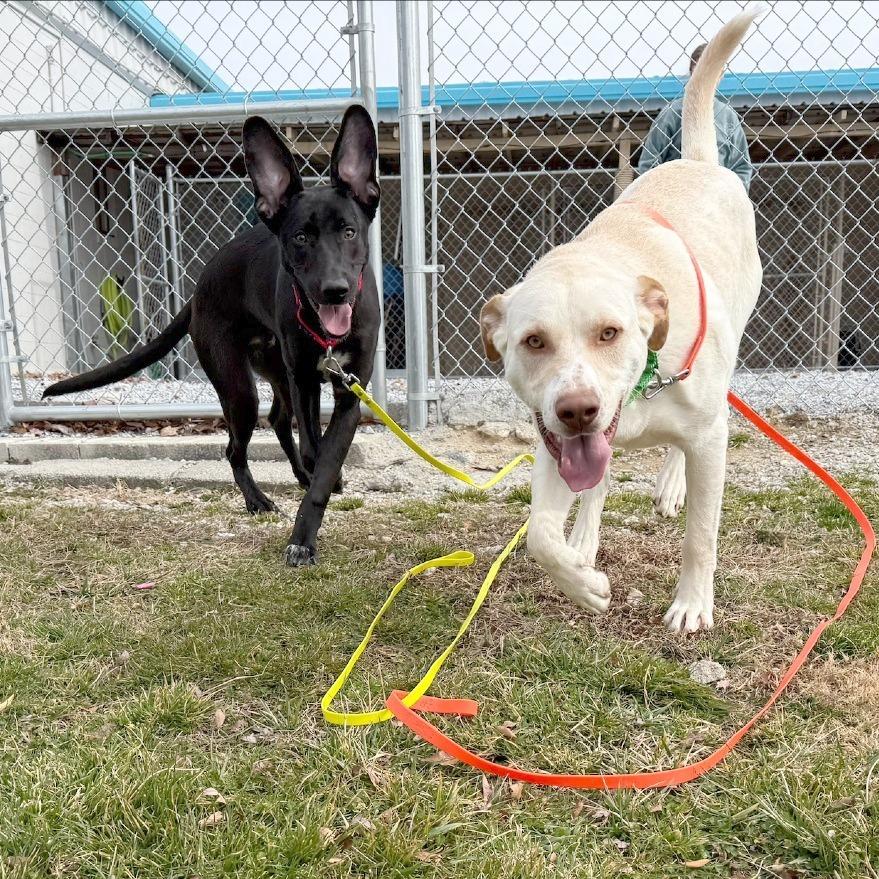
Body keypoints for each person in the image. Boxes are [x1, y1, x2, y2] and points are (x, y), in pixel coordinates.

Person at [637, 42, 753, 190]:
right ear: (692, 72)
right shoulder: (672, 113)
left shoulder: (727, 116)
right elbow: (649, 163)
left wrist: (731, 198)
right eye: (700, 71)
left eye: (713, 71)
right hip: (677, 195)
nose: (706, 77)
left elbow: (742, 167)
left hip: (715, 197)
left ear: (721, 74)